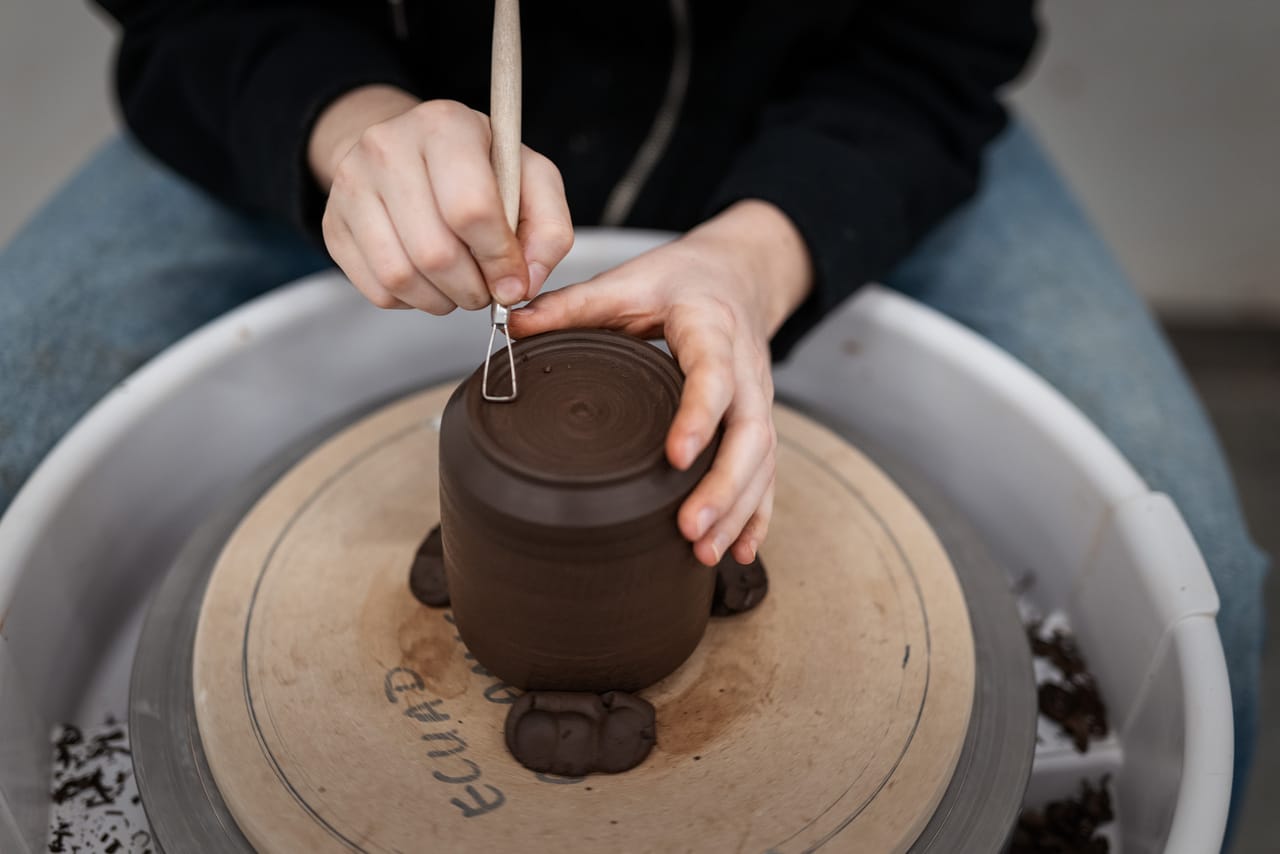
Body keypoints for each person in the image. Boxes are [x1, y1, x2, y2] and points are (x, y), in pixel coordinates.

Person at [0, 0, 1264, 842]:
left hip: (826, 120)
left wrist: (762, 257)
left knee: (1204, 586)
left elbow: (941, 36)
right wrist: (345, 127)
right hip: (347, 89)